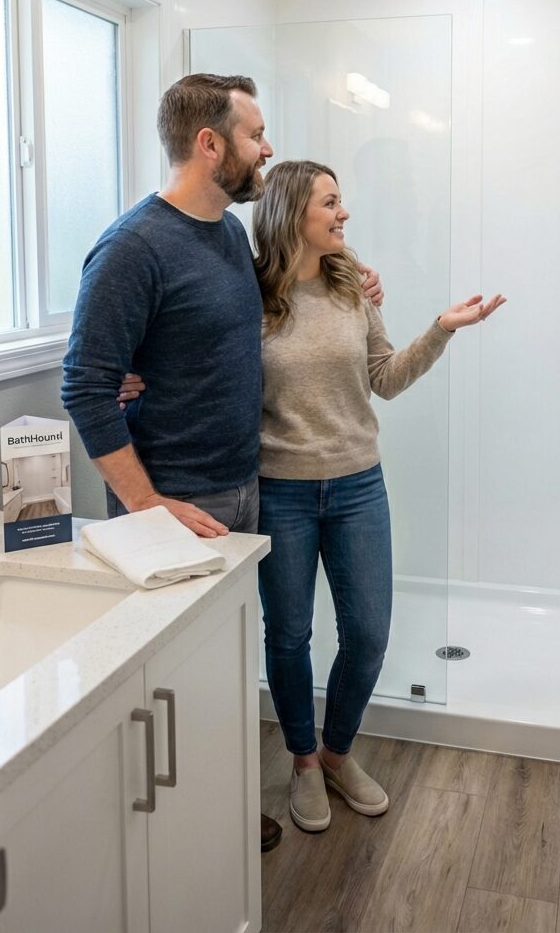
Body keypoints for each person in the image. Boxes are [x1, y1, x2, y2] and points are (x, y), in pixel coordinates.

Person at [61, 74, 383, 853]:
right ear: (210, 144)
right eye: (254, 135)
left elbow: (236, 334)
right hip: (175, 500)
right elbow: (84, 382)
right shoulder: (135, 244)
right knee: (171, 682)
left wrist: (359, 282)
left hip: (246, 485)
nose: (267, 150)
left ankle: (221, 811)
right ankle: (178, 846)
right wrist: (144, 503)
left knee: (221, 672)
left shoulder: (228, 237)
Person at [250, 160, 505, 833]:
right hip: (281, 491)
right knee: (291, 636)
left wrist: (442, 327)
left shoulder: (351, 287)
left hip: (359, 484)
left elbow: (385, 379)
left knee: (367, 635)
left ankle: (337, 754)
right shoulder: (248, 294)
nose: (344, 213)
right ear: (291, 214)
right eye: (331, 202)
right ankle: (303, 762)